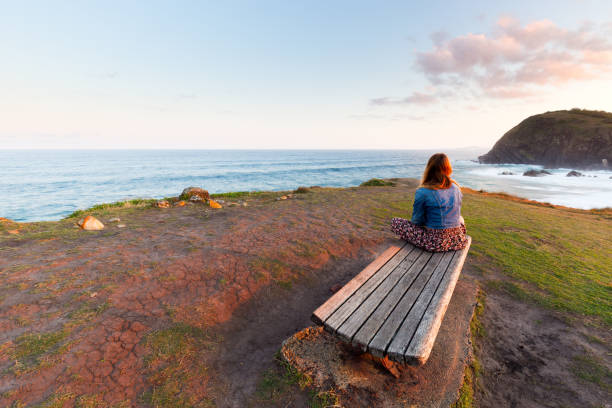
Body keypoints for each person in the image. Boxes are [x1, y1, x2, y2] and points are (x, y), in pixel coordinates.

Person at [391, 153, 468, 252]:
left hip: (435, 242)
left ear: (429, 169)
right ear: (448, 169)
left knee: (395, 222)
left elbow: (417, 221)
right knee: (460, 218)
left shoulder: (423, 192)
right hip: (457, 240)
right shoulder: (456, 188)